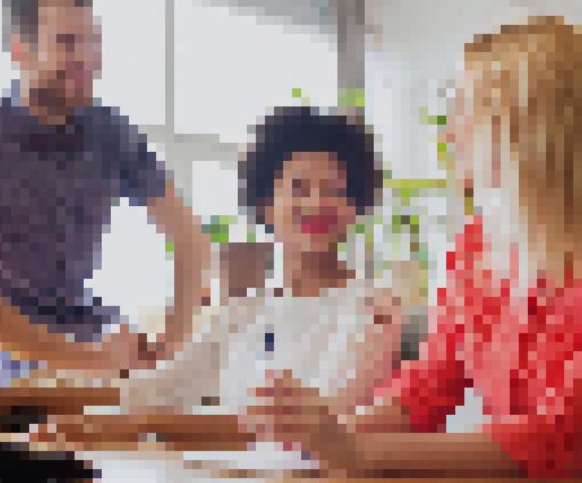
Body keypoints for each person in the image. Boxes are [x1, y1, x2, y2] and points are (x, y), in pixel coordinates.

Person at [244, 17, 582, 483]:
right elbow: (427, 387)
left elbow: (568, 438)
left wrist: (355, 451)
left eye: (464, 113)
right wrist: (324, 438)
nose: (449, 135)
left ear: (530, 129)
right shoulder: (476, 245)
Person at [0, 0, 210, 383]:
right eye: (67, 43)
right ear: (19, 50)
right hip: (11, 363)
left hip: (92, 343)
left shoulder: (111, 132)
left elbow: (189, 239)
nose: (87, 59)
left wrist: (172, 343)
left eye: (93, 41)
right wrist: (88, 359)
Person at [107, 107, 403, 477]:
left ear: (355, 207)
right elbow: (165, 387)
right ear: (265, 204)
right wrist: (112, 376)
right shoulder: (243, 311)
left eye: (335, 191)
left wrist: (160, 421)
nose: (317, 204)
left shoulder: (372, 307)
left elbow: (319, 424)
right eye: (299, 188)